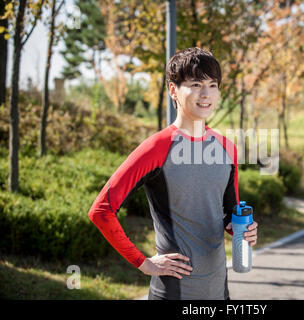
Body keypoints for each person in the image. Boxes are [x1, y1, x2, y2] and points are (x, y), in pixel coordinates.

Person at [88, 47, 258, 300]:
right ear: (173, 90)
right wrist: (144, 262)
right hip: (173, 293)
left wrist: (243, 229)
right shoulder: (156, 148)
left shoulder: (227, 148)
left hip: (218, 291)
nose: (206, 94)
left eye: (213, 85)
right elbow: (101, 210)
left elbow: (227, 214)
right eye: (196, 84)